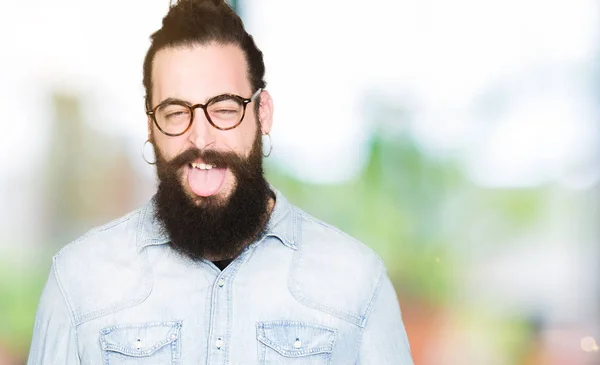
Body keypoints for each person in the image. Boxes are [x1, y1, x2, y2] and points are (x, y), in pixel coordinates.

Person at [27, 1, 414, 364]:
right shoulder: (79, 281)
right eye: (176, 112)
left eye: (225, 109)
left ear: (262, 114)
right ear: (150, 127)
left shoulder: (357, 282)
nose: (200, 139)